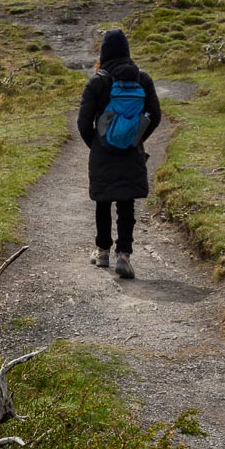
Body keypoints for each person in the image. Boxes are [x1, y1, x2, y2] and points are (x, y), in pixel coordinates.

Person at [77, 28, 161, 279]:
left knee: (103, 200)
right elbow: (154, 116)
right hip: (131, 152)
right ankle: (124, 255)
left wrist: (96, 144)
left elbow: (83, 122)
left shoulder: (97, 81)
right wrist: (136, 140)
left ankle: (103, 252)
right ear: (127, 52)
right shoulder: (142, 79)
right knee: (126, 202)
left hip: (103, 151)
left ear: (104, 53)